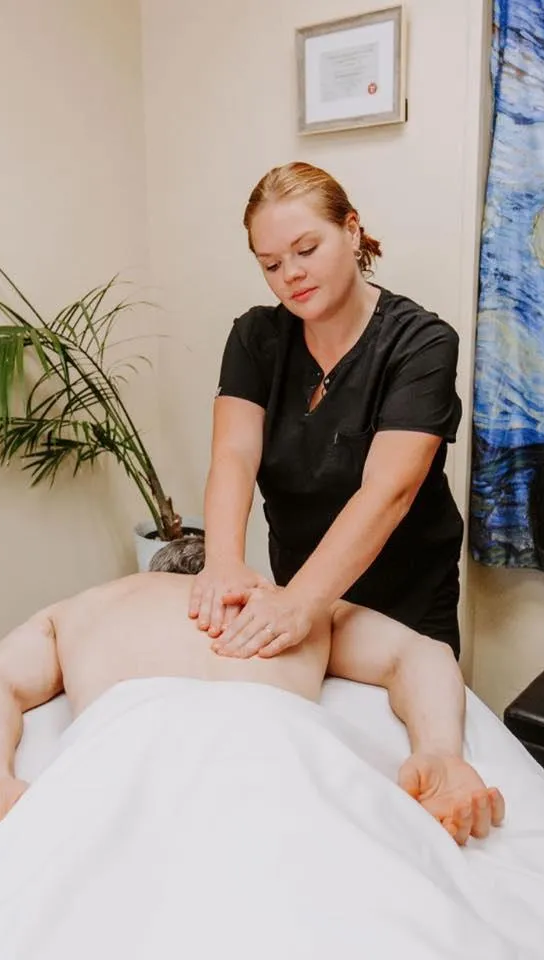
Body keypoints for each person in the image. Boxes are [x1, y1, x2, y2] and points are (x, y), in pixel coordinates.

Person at [0, 538, 503, 867]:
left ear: (160, 567)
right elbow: (420, 654)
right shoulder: (284, 605)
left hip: (124, 748)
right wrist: (441, 751)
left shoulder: (89, 605)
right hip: (273, 748)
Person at [190, 162, 466, 660]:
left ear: (352, 229)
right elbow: (233, 454)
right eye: (271, 265)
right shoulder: (257, 340)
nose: (291, 274)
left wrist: (303, 601)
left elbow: (389, 492)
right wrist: (223, 562)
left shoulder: (420, 344)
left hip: (405, 602)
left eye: (307, 250)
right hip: (297, 598)